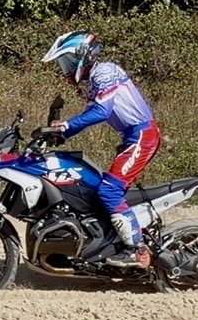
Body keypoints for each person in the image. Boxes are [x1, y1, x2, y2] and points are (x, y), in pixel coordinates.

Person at [39, 31, 161, 270]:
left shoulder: (104, 72)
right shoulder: (95, 79)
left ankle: (137, 251)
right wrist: (62, 133)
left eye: (67, 61)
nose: (65, 69)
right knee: (98, 187)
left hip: (142, 135)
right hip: (133, 136)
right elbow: (89, 114)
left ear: (81, 56)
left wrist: (66, 126)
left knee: (109, 190)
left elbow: (101, 112)